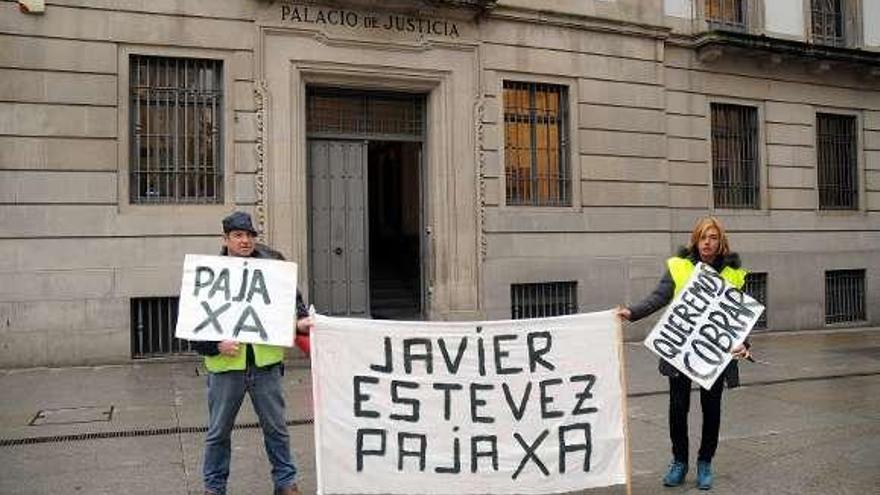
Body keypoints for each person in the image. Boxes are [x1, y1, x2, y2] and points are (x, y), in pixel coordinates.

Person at [616, 216, 751, 491]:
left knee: (711, 409)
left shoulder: (733, 274)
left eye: (713, 237)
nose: (707, 243)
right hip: (680, 350)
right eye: (703, 237)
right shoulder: (679, 267)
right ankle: (679, 462)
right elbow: (658, 297)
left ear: (720, 241)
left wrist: (744, 343)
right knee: (678, 408)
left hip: (714, 353)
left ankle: (705, 463)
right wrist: (632, 312)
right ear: (695, 240)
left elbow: (741, 316)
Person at [192, 211, 314, 495]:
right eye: (238, 235)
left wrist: (299, 323)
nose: (245, 240)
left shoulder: (273, 267)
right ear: (225, 239)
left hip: (266, 366)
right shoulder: (208, 273)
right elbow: (192, 328)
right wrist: (215, 345)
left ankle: (286, 484)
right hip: (225, 368)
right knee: (218, 433)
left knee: (277, 430)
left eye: (249, 235)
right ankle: (214, 488)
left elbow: (294, 306)